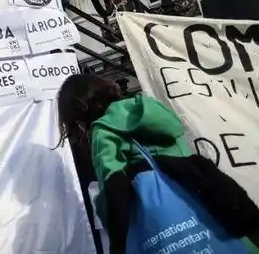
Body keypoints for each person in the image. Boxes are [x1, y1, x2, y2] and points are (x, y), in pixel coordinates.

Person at [56, 73, 259, 254]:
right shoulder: (148, 108)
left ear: (80, 114)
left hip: (164, 228)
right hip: (211, 207)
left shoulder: (102, 131)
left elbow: (113, 191)